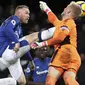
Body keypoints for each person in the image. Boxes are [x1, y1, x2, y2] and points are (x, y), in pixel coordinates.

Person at [30, 1, 82, 85]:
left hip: (64, 52)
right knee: (69, 80)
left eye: (66, 7)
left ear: (68, 12)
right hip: (74, 56)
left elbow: (60, 38)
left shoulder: (69, 22)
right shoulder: (64, 24)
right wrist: (46, 8)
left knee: (50, 81)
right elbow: (54, 19)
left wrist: (42, 44)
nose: (64, 8)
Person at [0, 5, 39, 85]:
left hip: (11, 54)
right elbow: (7, 29)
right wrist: (16, 42)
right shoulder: (13, 19)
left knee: (22, 82)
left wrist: (30, 60)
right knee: (33, 37)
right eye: (26, 13)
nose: (28, 16)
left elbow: (23, 47)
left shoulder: (19, 29)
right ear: (19, 13)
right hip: (3, 54)